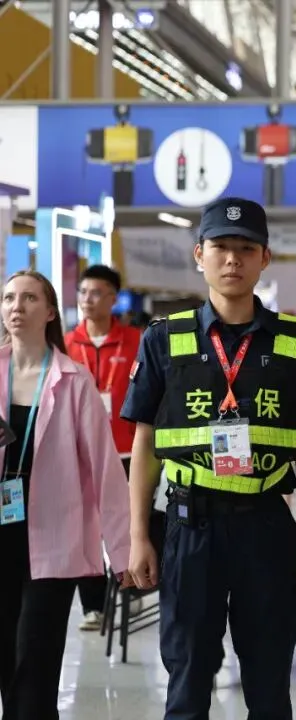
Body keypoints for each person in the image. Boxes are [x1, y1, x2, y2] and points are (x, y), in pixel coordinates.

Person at [122, 197, 296, 719]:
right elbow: (145, 442)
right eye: (221, 246)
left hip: (266, 525)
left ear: (265, 258)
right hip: (189, 525)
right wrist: (137, 534)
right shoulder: (164, 340)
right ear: (199, 254)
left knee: (269, 678)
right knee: (187, 675)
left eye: (246, 248)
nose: (233, 259)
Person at [0, 270, 130, 719]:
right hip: (2, 531)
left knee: (36, 662)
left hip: (54, 538)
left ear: (50, 312)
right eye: (9, 298)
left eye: (29, 298)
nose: (17, 307)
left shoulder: (73, 380)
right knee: (6, 662)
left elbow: (106, 471)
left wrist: (122, 551)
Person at [65, 263, 143, 632]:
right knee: (87, 528)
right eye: (83, 292)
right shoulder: (66, 344)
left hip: (128, 451)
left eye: (96, 293)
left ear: (113, 298)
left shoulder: (136, 341)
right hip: (80, 453)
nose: (88, 299)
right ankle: (93, 605)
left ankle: (130, 587)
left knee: (129, 523)